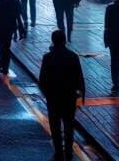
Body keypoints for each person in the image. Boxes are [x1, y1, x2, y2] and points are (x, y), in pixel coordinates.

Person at [38, 29, 85, 161]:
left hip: (53, 98)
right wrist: (79, 93)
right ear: (64, 40)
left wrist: (47, 94)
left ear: (53, 41)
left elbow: (42, 80)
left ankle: (58, 152)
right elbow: (79, 77)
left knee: (55, 126)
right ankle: (68, 152)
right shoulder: (73, 56)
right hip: (69, 97)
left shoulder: (48, 57)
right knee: (69, 125)